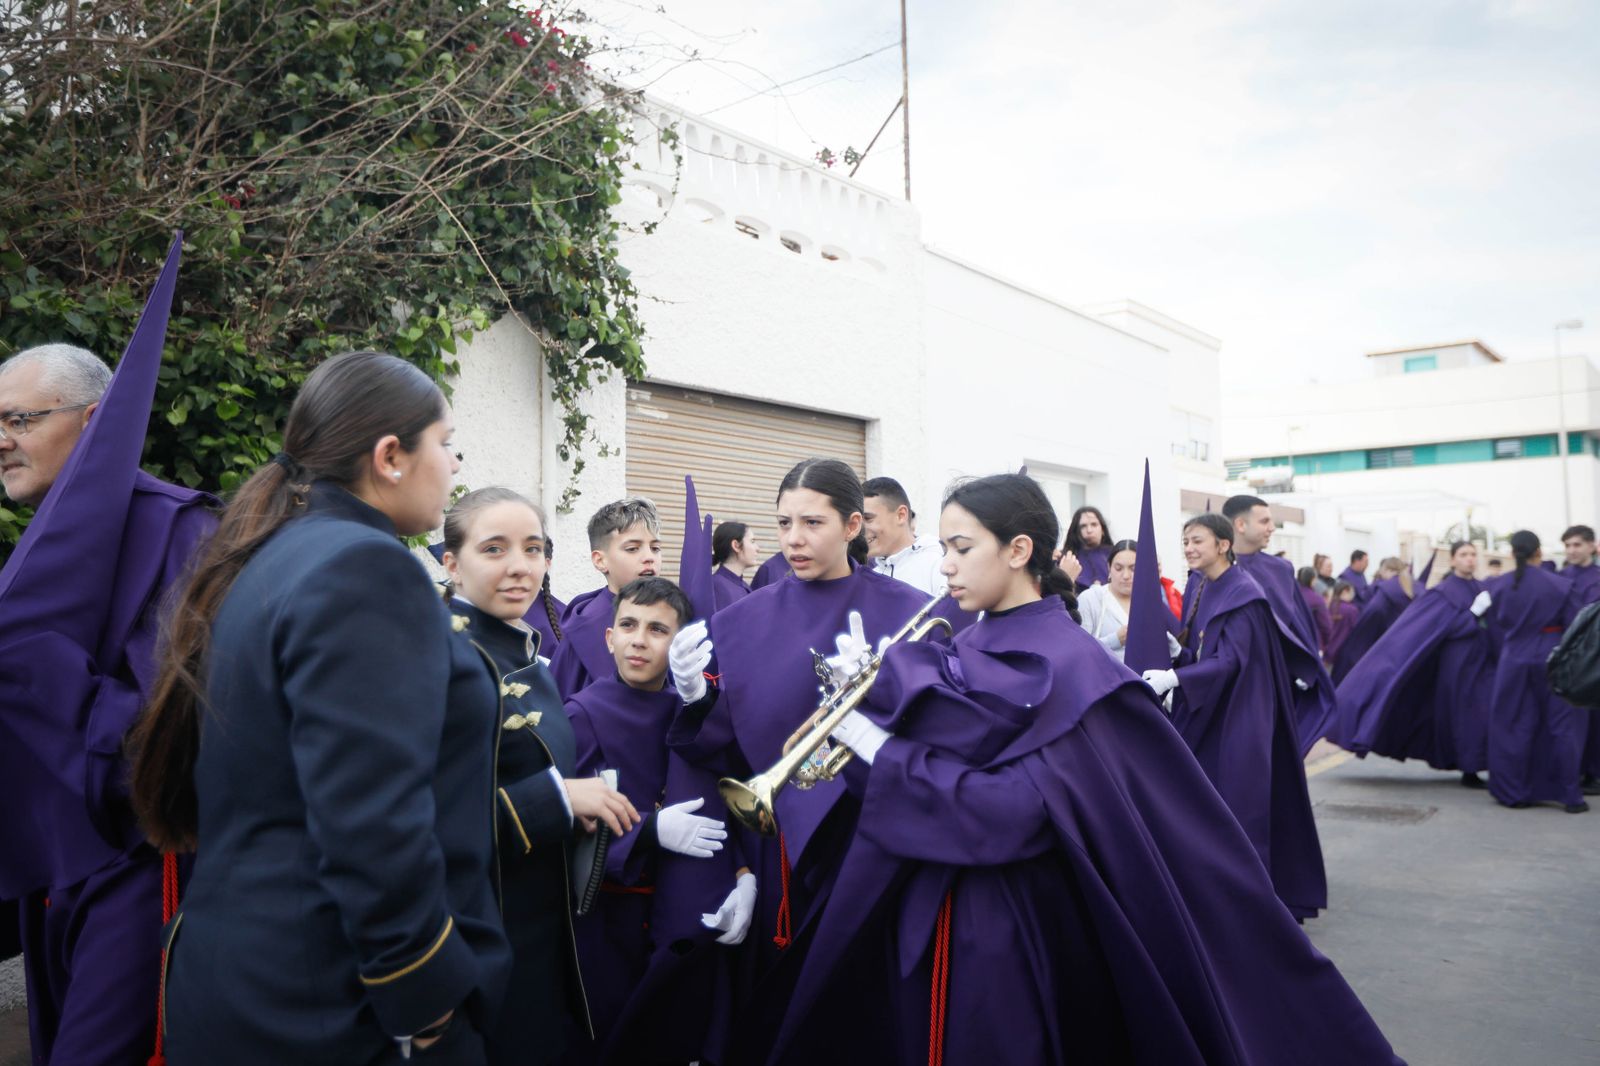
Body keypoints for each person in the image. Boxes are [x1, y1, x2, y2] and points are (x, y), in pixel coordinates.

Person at [769, 476, 1400, 1065]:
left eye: (962, 547)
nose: (945, 565)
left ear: (1019, 550)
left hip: (1007, 933)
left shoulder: (1070, 664)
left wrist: (882, 752)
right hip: (932, 915)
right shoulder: (964, 639)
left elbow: (1013, 814)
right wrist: (871, 724)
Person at [128, 351, 512, 1064]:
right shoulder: (364, 567)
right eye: (447, 442)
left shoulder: (273, 554)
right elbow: (372, 820)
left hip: (248, 979)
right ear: (390, 456)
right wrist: (424, 1003)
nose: (455, 464)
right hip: (332, 1004)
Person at [665, 457, 938, 1062]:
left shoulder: (912, 609)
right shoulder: (740, 620)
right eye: (784, 522)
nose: (794, 538)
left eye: (812, 522)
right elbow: (724, 748)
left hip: (879, 840)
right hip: (783, 848)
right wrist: (696, 698)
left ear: (852, 526)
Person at [0, 332, 216, 1063]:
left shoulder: (175, 525)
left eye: (20, 420)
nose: (2, 441)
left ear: (94, 420)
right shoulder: (45, 543)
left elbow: (174, 722)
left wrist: (41, 672)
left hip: (133, 859)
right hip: (50, 862)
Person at [439, 486, 643, 1064]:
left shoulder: (521, 650)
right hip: (479, 931)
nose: (519, 567)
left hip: (543, 925)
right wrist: (559, 796)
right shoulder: (441, 657)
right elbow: (419, 818)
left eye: (533, 549)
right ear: (452, 562)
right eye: (495, 549)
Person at [564, 577, 750, 1064]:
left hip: (681, 905)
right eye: (627, 625)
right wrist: (649, 829)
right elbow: (568, 819)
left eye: (657, 629)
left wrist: (742, 873)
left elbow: (723, 800)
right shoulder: (582, 714)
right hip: (611, 917)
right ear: (609, 638)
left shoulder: (691, 712)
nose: (639, 640)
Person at [1146, 513, 1327, 921]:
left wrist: (1175, 676)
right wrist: (1183, 656)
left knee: (1238, 807)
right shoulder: (1208, 588)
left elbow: (1231, 661)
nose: (1189, 549)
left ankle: (1251, 907)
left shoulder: (1241, 594)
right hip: (1216, 708)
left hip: (1240, 717)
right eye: (1186, 542)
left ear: (1224, 544)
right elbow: (1210, 651)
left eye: (1197, 541)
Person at [1327, 541, 1495, 789]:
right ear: (1453, 560)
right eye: (1463, 554)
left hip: (1480, 662)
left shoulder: (1481, 587)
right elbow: (1448, 628)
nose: (1469, 559)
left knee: (1478, 713)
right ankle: (1469, 767)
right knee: (1463, 715)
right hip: (1457, 665)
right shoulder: (1444, 592)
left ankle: (1475, 764)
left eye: (1472, 554)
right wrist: (1472, 615)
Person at [1220, 494, 1338, 755]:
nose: (1271, 527)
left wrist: (1307, 667)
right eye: (1264, 521)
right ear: (1240, 525)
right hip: (1231, 679)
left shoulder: (1281, 569)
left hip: (1275, 680)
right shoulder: (1214, 569)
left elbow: (1299, 625)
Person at [1484, 531, 1587, 813]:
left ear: (1511, 553)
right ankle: (1570, 796)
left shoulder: (1497, 586)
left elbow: (1487, 621)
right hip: (1552, 656)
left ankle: (1514, 791)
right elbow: (1575, 628)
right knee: (1562, 726)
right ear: (1538, 552)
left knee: (1511, 724)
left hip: (1513, 657)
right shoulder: (1561, 585)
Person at [549, 497, 662, 698]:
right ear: (600, 561)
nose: (649, 557)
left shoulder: (669, 615)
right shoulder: (583, 631)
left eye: (655, 548)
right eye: (633, 549)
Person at [1077, 539, 1179, 665]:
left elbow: (1176, 648)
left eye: (1133, 569)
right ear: (1109, 568)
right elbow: (1079, 651)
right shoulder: (1091, 598)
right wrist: (1116, 640)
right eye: (1118, 568)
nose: (1126, 575)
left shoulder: (1151, 603)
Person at [1329, 557, 1415, 683]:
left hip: (1373, 648)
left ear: (1385, 570)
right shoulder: (1411, 589)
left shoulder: (1380, 591)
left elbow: (1369, 616)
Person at [1561, 526, 1600, 793]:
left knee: (1595, 717)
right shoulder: (1559, 578)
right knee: (1570, 716)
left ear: (1591, 546)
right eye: (1568, 546)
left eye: (1577, 545)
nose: (1572, 551)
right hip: (1568, 657)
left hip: (1595, 656)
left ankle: (1593, 773)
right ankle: (1572, 770)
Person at [862, 476, 944, 597]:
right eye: (857, 521)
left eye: (868, 519)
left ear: (901, 515)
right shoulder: (869, 576)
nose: (859, 529)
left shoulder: (938, 567)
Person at [711, 520, 759, 611]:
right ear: (736, 546)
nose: (757, 548)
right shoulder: (717, 587)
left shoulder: (742, 585)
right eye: (752, 541)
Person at [1063, 504, 1113, 590]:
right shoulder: (1067, 559)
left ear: (1103, 529)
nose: (1089, 530)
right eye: (1083, 526)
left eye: (1094, 524)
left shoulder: (1115, 555)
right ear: (1076, 531)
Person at [1324, 581, 1362, 668]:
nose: (1353, 595)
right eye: (1352, 592)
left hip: (1326, 652)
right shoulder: (1352, 610)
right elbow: (1357, 631)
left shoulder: (1329, 605)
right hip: (1342, 653)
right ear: (1345, 591)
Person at [1297, 565, 1333, 655]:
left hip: (1295, 641)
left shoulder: (1292, 596)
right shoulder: (1317, 599)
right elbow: (1326, 626)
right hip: (1314, 642)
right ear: (1313, 580)